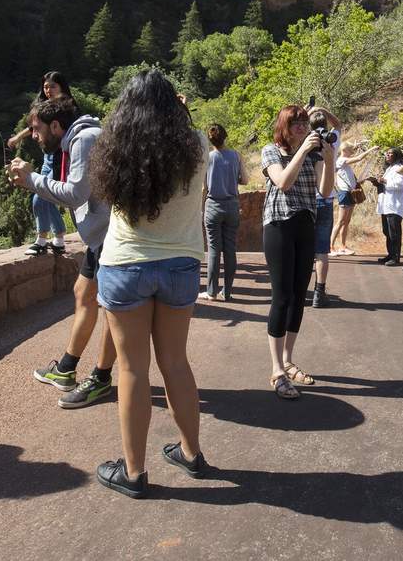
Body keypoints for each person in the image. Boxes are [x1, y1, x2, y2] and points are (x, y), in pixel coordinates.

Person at [90, 70, 208, 499]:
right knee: (176, 362)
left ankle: (135, 473)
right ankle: (192, 455)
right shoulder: (196, 143)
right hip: (180, 263)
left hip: (126, 265)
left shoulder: (117, 143)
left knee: (132, 369)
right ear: (174, 104)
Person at [9, 96, 117, 409]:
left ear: (56, 126)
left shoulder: (84, 140)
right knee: (83, 292)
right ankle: (67, 368)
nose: (34, 135)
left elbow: (75, 194)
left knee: (110, 308)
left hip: (109, 236)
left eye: (36, 128)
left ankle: (101, 377)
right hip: (101, 235)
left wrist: (32, 180)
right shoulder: (79, 139)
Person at [261, 104, 335, 400]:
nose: (302, 127)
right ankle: (276, 369)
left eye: (304, 122)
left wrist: (329, 160)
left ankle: (288, 360)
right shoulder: (271, 151)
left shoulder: (312, 153)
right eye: (295, 123)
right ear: (284, 127)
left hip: (306, 224)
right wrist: (303, 151)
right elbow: (282, 182)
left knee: (298, 298)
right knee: (281, 298)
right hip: (279, 226)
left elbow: (326, 191)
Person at [8, 71, 73, 257]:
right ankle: (59, 239)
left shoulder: (68, 107)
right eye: (46, 87)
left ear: (61, 87)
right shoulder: (44, 106)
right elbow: (34, 127)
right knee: (47, 196)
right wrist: (18, 137)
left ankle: (41, 240)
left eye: (53, 86)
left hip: (61, 158)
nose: (48, 90)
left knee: (40, 196)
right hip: (48, 157)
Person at [202, 123, 247, 301]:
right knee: (230, 249)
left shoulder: (208, 157)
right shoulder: (236, 155)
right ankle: (227, 291)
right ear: (225, 136)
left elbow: (204, 187)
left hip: (213, 205)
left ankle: (211, 292)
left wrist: (201, 208)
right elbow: (245, 179)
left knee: (214, 250)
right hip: (232, 206)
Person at [307, 107, 342, 308]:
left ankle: (302, 289)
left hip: (306, 200)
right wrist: (323, 110)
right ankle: (320, 292)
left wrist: (306, 111)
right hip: (326, 200)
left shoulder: (304, 141)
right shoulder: (331, 141)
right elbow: (338, 124)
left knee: (304, 248)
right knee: (322, 249)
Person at [330, 140, 379, 256]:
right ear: (345, 150)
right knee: (340, 221)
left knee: (346, 221)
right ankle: (330, 246)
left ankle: (342, 246)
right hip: (345, 193)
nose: (353, 151)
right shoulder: (342, 160)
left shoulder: (345, 163)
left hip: (350, 193)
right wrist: (371, 149)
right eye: (351, 149)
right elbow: (358, 158)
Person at [367, 149, 403, 266]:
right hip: (386, 205)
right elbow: (386, 184)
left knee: (394, 232)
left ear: (396, 155)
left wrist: (384, 181)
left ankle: (395, 257)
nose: (387, 155)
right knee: (387, 231)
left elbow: (399, 185)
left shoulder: (399, 167)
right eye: (386, 153)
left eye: (390, 153)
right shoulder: (389, 168)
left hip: (394, 205)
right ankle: (390, 254)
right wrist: (377, 182)